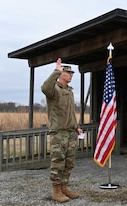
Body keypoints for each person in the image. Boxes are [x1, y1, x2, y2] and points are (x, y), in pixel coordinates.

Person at [41, 58, 83, 203]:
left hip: (71, 132)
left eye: (72, 73)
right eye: (68, 73)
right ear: (61, 74)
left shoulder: (69, 91)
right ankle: (56, 191)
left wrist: (76, 126)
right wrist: (56, 71)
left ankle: (64, 187)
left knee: (69, 162)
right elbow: (45, 88)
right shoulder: (54, 90)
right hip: (59, 133)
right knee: (58, 162)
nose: (71, 75)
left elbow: (70, 112)